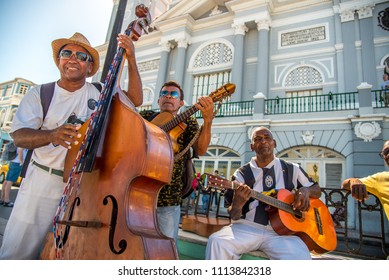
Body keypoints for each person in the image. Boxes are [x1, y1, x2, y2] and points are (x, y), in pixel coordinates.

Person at [0, 32, 143, 260]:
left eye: (81, 56)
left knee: (69, 253)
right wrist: (52, 135)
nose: (72, 58)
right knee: (17, 251)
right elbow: (19, 136)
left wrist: (132, 59)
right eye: (67, 53)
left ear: (89, 67)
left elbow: (135, 100)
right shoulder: (41, 93)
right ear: (59, 61)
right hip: (42, 183)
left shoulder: (99, 92)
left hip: (84, 187)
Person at [205, 126, 322, 260]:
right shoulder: (241, 174)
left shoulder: (292, 168)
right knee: (217, 242)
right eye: (258, 139)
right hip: (247, 228)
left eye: (267, 138)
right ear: (252, 146)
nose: (264, 141)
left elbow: (316, 189)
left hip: (282, 234)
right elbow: (234, 215)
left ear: (274, 143)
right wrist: (238, 203)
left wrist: (305, 190)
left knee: (300, 256)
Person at [140, 80, 214, 244]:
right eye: (164, 93)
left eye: (173, 94)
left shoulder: (188, 123)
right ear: (158, 100)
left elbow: (201, 150)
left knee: (165, 248)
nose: (168, 96)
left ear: (181, 103)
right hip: (137, 193)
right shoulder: (145, 117)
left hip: (167, 198)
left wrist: (208, 120)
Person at [341, 140, 389, 220]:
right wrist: (353, 181)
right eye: (385, 152)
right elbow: (344, 186)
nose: (388, 155)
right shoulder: (380, 178)